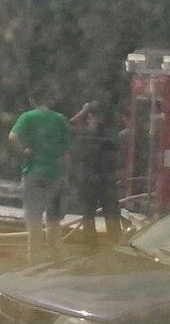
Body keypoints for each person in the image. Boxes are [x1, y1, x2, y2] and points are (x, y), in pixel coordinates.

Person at [8, 86, 70, 263]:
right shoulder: (60, 119)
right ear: (49, 100)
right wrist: (65, 173)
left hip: (33, 172)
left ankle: (34, 259)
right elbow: (67, 153)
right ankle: (55, 258)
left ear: (32, 101)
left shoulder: (28, 117)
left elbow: (12, 137)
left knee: (33, 217)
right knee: (53, 218)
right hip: (54, 173)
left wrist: (24, 151)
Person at [69, 101, 123, 245]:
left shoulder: (83, 132)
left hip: (88, 179)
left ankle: (91, 247)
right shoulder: (112, 134)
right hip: (107, 180)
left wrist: (83, 111)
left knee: (88, 217)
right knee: (112, 216)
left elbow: (70, 124)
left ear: (89, 115)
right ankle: (116, 244)